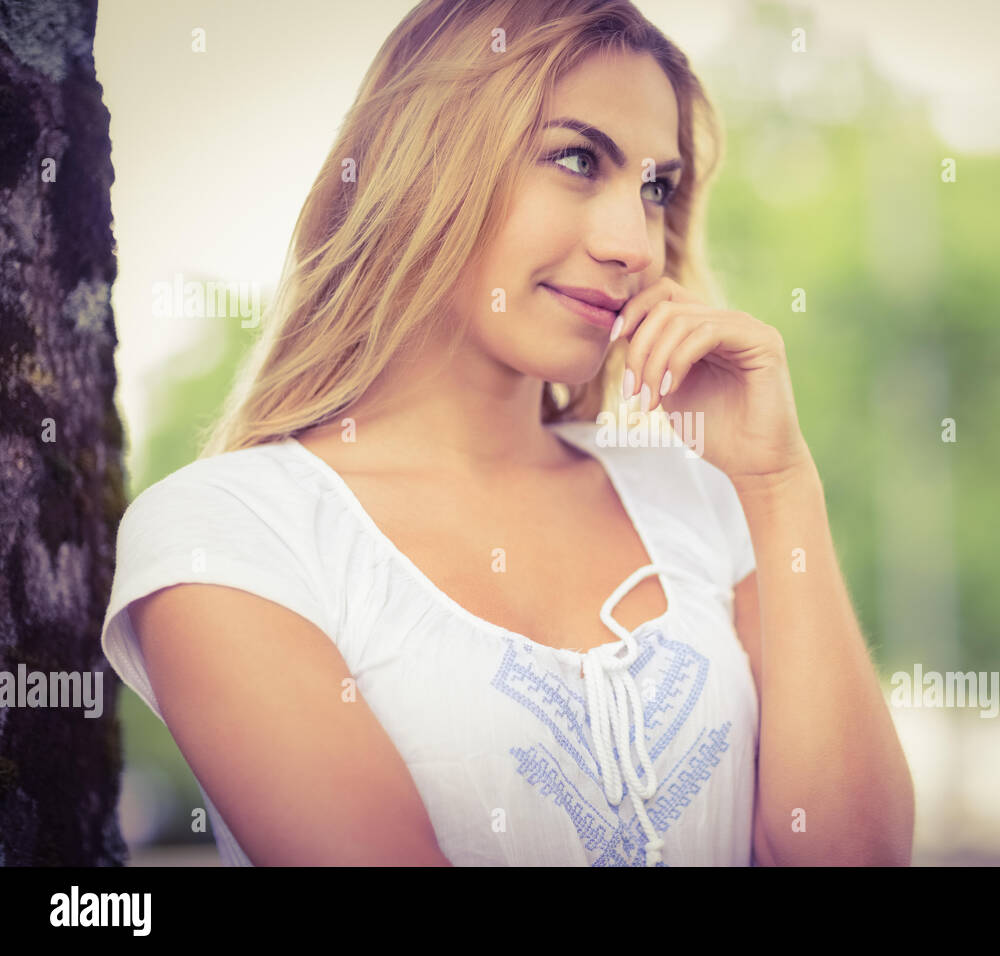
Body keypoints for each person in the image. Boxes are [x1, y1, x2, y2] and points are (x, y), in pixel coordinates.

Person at [100, 0, 914, 866]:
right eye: (575, 159)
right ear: (425, 162)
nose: (635, 242)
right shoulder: (231, 535)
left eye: (656, 188)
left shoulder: (701, 495)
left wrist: (777, 483)